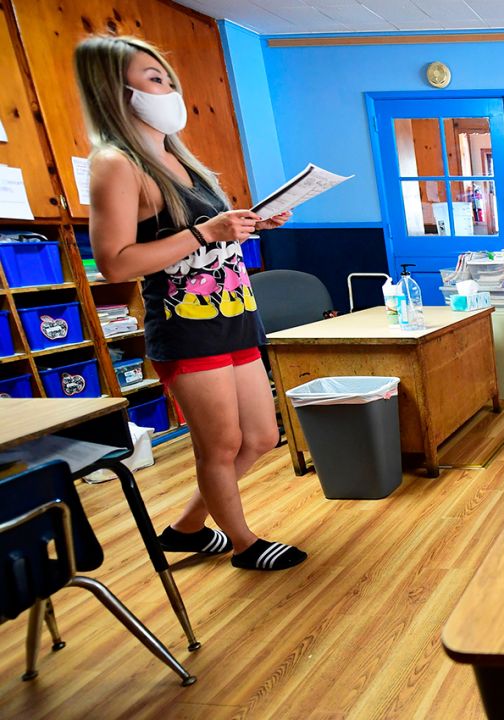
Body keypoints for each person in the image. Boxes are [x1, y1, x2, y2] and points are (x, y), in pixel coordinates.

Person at [76, 35, 306, 570]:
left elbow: (200, 234)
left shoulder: (181, 160)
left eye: (168, 78)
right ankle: (245, 544)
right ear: (115, 88)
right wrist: (207, 234)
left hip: (234, 315)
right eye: (153, 78)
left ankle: (186, 528)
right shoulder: (116, 163)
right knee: (221, 444)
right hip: (187, 326)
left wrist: (245, 225)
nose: (168, 89)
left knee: (261, 436)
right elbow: (115, 262)